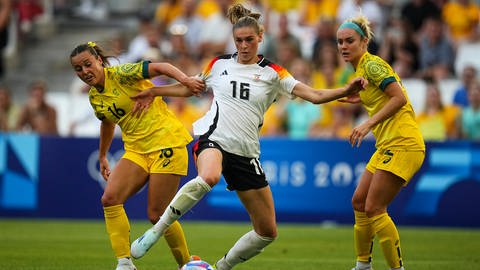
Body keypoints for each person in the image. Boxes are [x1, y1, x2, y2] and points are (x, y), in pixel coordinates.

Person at [129, 4, 366, 270]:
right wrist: (155, 92)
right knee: (209, 176)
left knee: (267, 231)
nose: (243, 46)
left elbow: (314, 95)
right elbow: (190, 88)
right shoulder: (218, 65)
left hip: (246, 153)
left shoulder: (273, 73)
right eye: (238, 40)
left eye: (249, 40)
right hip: (214, 138)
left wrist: (344, 90)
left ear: (260, 37)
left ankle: (221, 267)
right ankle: (156, 231)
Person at [69, 41, 205, 270]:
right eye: (79, 69)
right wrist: (103, 155)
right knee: (109, 199)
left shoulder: (122, 74)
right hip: (137, 150)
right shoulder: (95, 96)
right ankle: (124, 263)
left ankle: (187, 264)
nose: (85, 72)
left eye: (87, 65)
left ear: (99, 61)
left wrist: (186, 80)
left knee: (157, 214)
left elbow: (161, 66)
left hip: (166, 142)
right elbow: (107, 122)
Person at [336, 15, 426, 270]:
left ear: (364, 41)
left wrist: (366, 124)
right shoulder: (361, 70)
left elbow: (399, 98)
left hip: (403, 142)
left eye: (349, 41)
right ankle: (363, 265)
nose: (343, 46)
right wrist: (363, 98)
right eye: (340, 42)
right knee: (360, 202)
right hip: (388, 144)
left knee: (375, 207)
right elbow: (384, 97)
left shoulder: (373, 65)